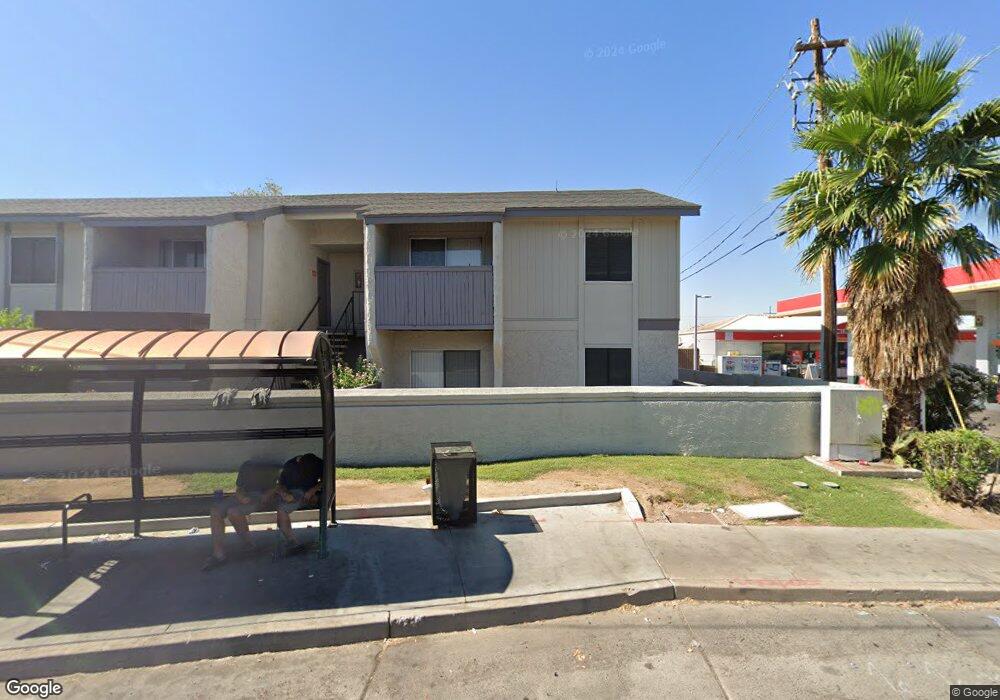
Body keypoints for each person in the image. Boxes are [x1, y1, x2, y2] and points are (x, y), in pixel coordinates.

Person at [202, 458, 281, 571]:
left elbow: (277, 486)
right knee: (216, 510)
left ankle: (249, 544)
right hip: (242, 496)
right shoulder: (247, 465)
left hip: (259, 497)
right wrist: (241, 497)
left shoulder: (272, 465)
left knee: (233, 512)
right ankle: (218, 554)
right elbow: (239, 488)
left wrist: (266, 496)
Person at [274, 453, 324, 556]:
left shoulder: (317, 463)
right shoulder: (289, 466)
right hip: (293, 493)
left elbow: (324, 480)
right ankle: (292, 541)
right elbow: (280, 485)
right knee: (281, 509)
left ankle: (321, 539)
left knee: (317, 499)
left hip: (309, 493)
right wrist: (285, 494)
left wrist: (313, 490)